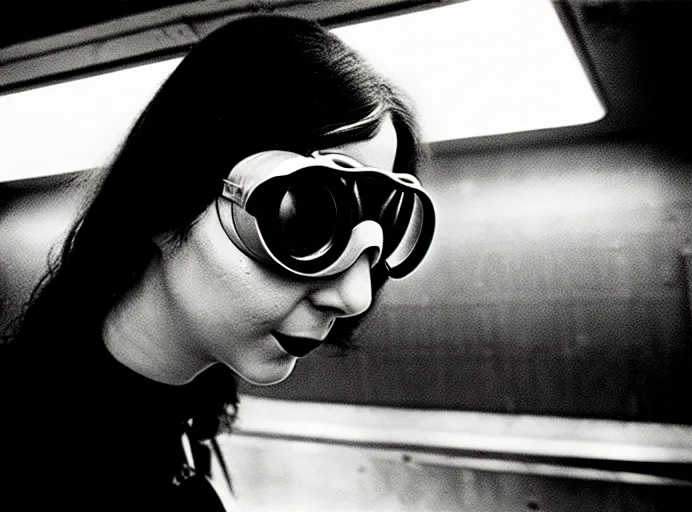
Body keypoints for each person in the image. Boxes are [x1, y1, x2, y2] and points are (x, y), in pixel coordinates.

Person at [0, 13, 435, 511]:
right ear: (164, 197)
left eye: (387, 226)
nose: (353, 296)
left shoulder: (188, 418)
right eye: (306, 217)